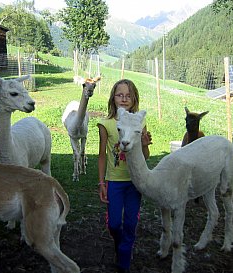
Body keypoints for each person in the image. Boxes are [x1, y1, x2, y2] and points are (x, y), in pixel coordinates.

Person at [97, 79, 152, 273]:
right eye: (120, 95)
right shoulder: (105, 124)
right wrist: (102, 182)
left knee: (130, 222)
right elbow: (102, 155)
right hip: (114, 182)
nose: (124, 99)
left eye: (128, 95)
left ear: (134, 98)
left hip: (134, 182)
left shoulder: (139, 122)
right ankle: (121, 246)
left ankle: (124, 260)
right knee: (113, 224)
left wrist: (144, 145)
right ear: (113, 97)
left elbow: (145, 157)